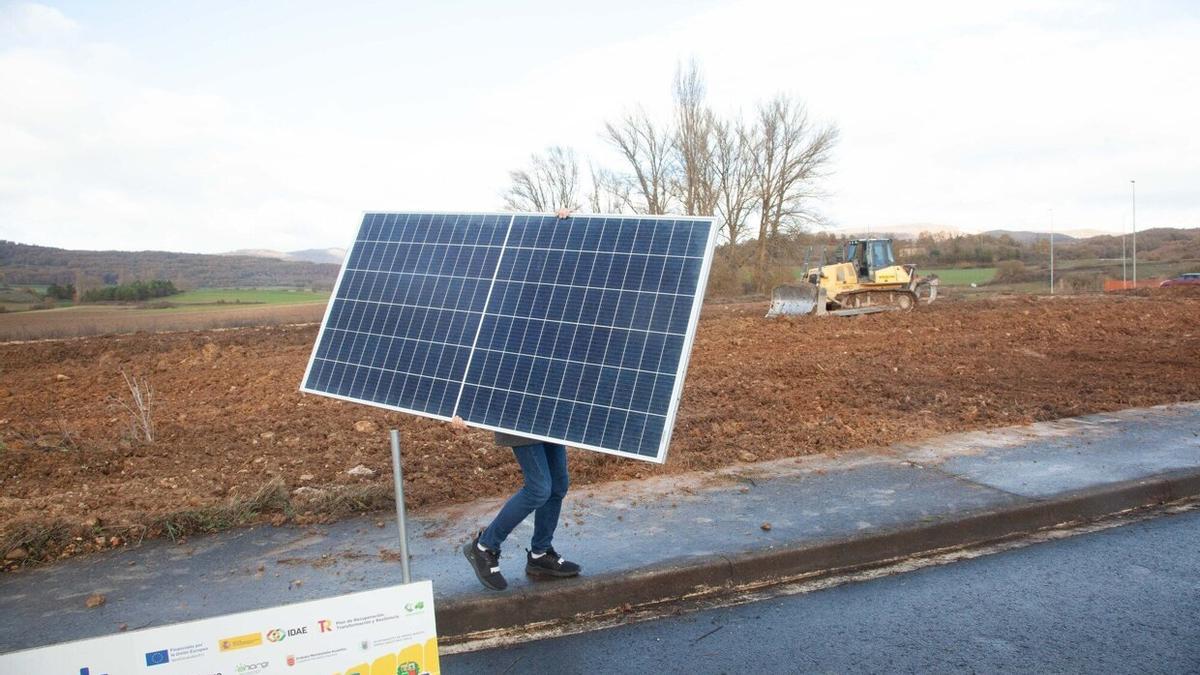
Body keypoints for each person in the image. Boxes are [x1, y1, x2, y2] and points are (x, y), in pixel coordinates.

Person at [455, 208, 582, 592]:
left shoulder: (549, 298)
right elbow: (473, 349)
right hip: (514, 404)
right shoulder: (498, 299)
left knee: (558, 484)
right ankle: (484, 545)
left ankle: (541, 554)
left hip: (547, 400)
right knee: (539, 487)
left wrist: (556, 223)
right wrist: (461, 403)